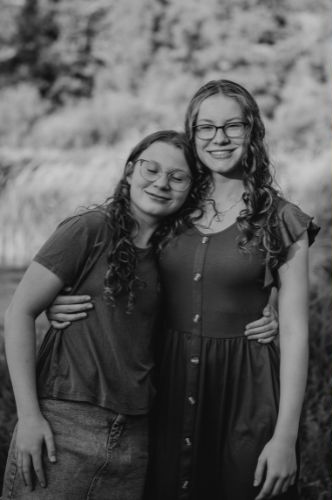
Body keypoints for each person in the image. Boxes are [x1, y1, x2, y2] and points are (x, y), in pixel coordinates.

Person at [47, 80, 318, 500]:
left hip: (247, 387)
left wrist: (285, 438)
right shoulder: (172, 201)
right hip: (165, 384)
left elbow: (298, 332)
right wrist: (59, 301)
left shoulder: (282, 220)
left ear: (253, 132)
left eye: (233, 126)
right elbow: (116, 262)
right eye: (205, 127)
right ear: (192, 134)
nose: (219, 138)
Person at [3, 130, 203, 498]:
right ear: (129, 171)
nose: (161, 183)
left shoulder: (174, 254)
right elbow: (18, 313)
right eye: (150, 169)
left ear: (191, 188)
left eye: (177, 177)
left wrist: (264, 318)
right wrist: (29, 417)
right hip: (63, 423)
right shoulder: (90, 229)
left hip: (135, 436)